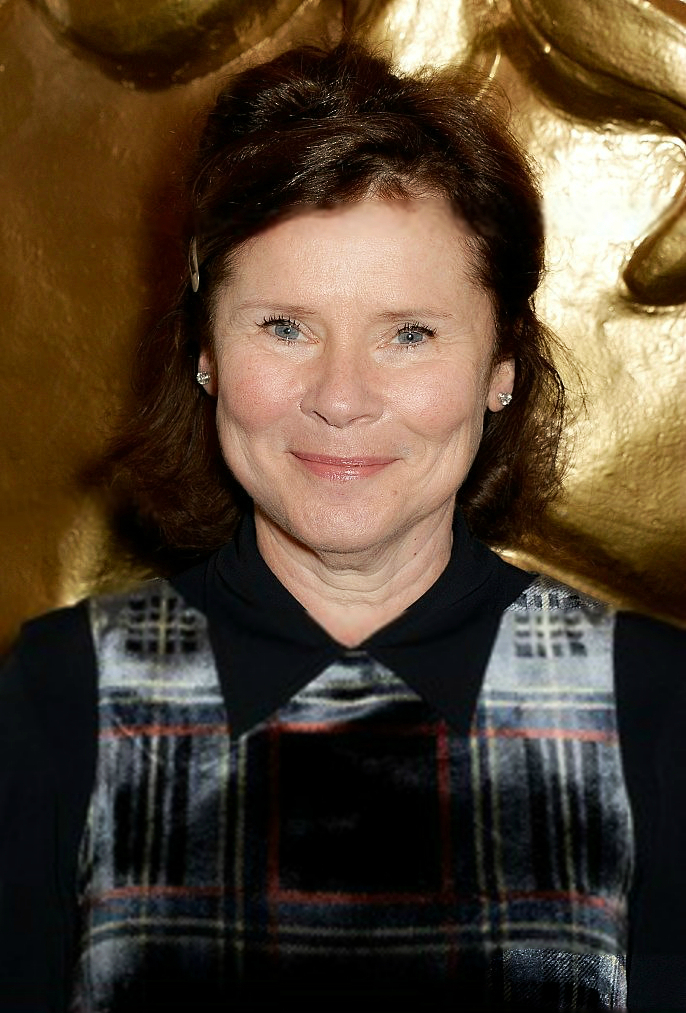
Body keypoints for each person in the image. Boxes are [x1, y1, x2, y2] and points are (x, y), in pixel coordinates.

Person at [0, 40, 684, 1013]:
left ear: (500, 364)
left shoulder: (654, 703)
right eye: (284, 326)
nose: (341, 397)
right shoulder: (57, 691)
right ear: (205, 350)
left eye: (409, 333)